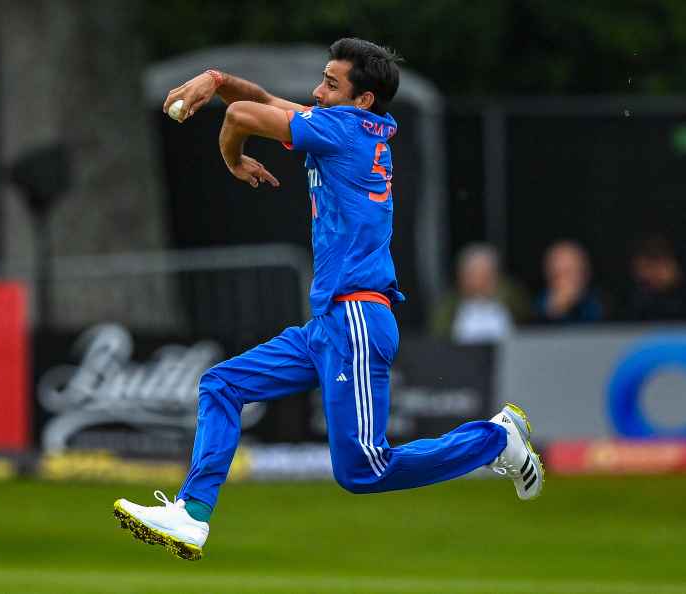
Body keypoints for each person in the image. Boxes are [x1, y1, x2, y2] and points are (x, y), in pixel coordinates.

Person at [113, 39, 543, 561]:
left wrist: (233, 159)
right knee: (222, 383)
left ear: (361, 100)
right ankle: (192, 514)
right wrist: (217, 80)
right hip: (330, 323)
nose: (317, 92)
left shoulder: (343, 130)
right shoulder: (347, 124)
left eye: (331, 85)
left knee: (363, 471)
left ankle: (495, 439)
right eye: (322, 79)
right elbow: (261, 98)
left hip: (357, 318)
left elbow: (246, 116)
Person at [430, 243, 530, 344]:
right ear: (462, 277)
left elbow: (527, 323)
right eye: (475, 276)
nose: (481, 283)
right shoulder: (449, 307)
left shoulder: (511, 300)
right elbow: (438, 336)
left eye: (486, 276)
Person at [534, 240, 603, 324]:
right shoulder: (535, 308)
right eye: (562, 274)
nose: (569, 280)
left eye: (575, 271)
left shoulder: (598, 304)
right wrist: (555, 311)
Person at [623, 234, 686, 321]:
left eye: (660, 260)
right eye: (648, 263)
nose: (654, 271)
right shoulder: (629, 303)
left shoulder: (680, 300)